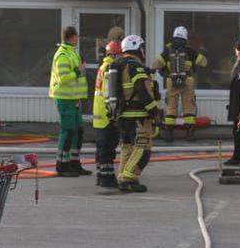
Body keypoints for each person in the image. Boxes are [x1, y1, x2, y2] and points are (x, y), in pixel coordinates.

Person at [114, 34, 161, 193]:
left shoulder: (119, 65)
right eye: (141, 47)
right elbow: (143, 90)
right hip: (138, 116)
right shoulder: (135, 67)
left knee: (128, 148)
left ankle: (124, 178)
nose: (143, 51)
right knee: (143, 149)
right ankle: (128, 178)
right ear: (136, 48)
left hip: (123, 116)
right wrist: (154, 111)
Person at [153, 25, 207, 141]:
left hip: (171, 81)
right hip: (187, 81)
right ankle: (190, 134)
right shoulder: (189, 50)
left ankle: (168, 135)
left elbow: (156, 65)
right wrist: (200, 53)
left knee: (171, 107)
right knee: (189, 107)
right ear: (185, 38)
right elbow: (204, 62)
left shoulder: (167, 51)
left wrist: (164, 69)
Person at [48, 24, 89, 177]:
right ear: (72, 37)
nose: (78, 38)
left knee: (78, 130)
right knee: (68, 131)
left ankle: (74, 163)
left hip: (74, 99)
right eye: (76, 36)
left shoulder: (72, 53)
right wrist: (78, 71)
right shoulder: (63, 55)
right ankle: (62, 166)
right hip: (65, 99)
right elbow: (63, 78)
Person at [90, 38, 123, 189]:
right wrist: (113, 113)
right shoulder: (111, 67)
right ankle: (107, 178)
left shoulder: (103, 65)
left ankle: (101, 176)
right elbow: (110, 94)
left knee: (102, 147)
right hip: (106, 114)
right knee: (107, 148)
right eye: (121, 54)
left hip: (99, 113)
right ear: (115, 54)